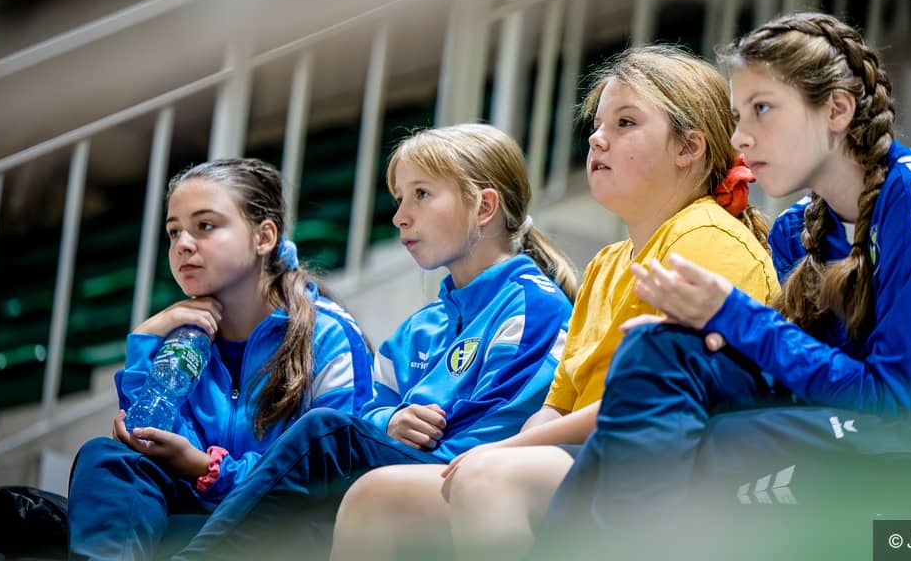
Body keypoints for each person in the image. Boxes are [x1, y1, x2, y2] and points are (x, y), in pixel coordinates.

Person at [541, 12, 911, 556]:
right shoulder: (794, 230)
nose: (740, 137)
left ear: (836, 111)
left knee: (722, 445)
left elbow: (891, 398)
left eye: (763, 109)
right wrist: (707, 337)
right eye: (737, 115)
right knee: (659, 349)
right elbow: (804, 372)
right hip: (868, 425)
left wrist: (734, 315)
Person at [331, 46, 781, 561]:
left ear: (688, 147)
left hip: (678, 462)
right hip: (596, 455)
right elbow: (557, 404)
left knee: (485, 479)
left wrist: (503, 451)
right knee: (375, 496)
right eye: (598, 124)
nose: (597, 137)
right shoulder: (607, 263)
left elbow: (647, 402)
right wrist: (513, 447)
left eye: (625, 122)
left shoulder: (708, 238)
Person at [172, 123, 576, 560]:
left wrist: (388, 437)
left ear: (485, 207)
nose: (400, 216)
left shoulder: (533, 304)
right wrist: (391, 422)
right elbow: (372, 409)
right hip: (412, 466)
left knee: (326, 433)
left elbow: (498, 426)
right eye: (399, 198)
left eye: (421, 194)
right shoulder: (419, 328)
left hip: (470, 472)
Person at [67, 158, 374, 561]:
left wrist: (205, 468)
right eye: (174, 231)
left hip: (284, 529)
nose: (183, 244)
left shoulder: (328, 334)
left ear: (264, 237)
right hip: (197, 521)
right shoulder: (180, 337)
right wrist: (145, 339)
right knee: (106, 457)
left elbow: (334, 473)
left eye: (205, 225)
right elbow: (146, 438)